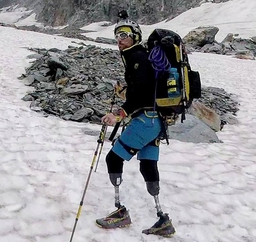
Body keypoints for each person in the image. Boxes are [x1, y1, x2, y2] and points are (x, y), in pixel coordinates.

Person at [95, 13, 176, 237]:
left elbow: (141, 92)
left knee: (113, 157)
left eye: (124, 35)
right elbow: (145, 88)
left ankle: (120, 212)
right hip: (157, 122)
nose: (119, 39)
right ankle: (163, 219)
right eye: (117, 35)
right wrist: (125, 92)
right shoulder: (142, 57)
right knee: (147, 165)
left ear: (135, 37)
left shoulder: (137, 56)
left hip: (145, 121)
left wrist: (119, 114)